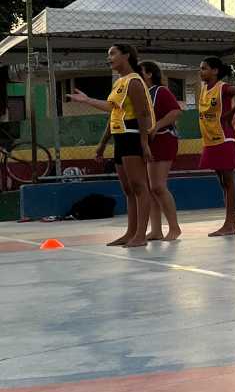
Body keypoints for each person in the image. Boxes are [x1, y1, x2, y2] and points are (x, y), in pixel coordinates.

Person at [68, 44, 154, 248]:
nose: (109, 58)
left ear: (126, 55)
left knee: (139, 186)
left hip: (132, 135)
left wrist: (144, 142)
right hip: (120, 137)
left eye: (112, 53)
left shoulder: (134, 81)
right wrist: (87, 100)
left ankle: (141, 234)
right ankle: (130, 232)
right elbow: (112, 110)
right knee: (128, 189)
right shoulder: (119, 82)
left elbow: (142, 113)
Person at [198, 56, 235, 237]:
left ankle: (231, 223)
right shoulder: (204, 89)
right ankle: (228, 223)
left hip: (224, 138)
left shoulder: (223, 88)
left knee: (228, 180)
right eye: (200, 68)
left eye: (204, 68)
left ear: (215, 71)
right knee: (222, 182)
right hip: (210, 140)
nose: (201, 72)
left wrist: (230, 113)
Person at [139, 61, 182, 241]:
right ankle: (156, 229)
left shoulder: (160, 91)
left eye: (140, 71)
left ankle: (174, 228)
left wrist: (157, 126)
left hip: (164, 139)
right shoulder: (142, 93)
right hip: (150, 142)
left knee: (158, 186)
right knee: (151, 188)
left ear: (149, 74)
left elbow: (175, 112)